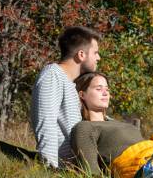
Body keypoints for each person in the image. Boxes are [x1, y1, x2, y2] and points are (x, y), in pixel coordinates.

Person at [30, 26, 101, 168]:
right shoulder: (52, 75)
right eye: (95, 53)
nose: (99, 58)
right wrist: (50, 169)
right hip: (60, 170)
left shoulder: (70, 84)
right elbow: (46, 124)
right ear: (81, 55)